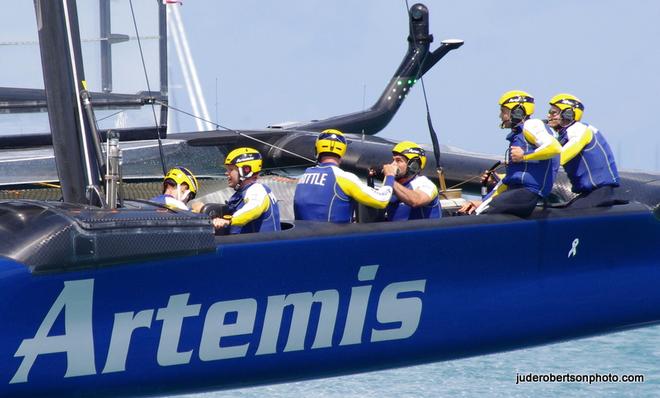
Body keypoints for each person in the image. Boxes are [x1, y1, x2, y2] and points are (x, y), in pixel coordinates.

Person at [461, 90, 561, 217]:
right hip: (517, 192)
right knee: (476, 212)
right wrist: (482, 203)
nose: (500, 116)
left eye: (503, 111)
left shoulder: (531, 125)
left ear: (517, 111)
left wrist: (523, 156)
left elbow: (554, 147)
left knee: (485, 213)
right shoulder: (518, 136)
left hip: (526, 194)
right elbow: (506, 183)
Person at [294, 129, 398, 223]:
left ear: (317, 150)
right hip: (332, 241)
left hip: (302, 240)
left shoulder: (304, 176)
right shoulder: (343, 178)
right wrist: (389, 176)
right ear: (342, 152)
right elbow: (381, 200)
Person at [547, 93, 620, 208]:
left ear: (568, 114)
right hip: (588, 194)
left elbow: (560, 157)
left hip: (599, 193)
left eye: (553, 113)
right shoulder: (566, 135)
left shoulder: (579, 129)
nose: (548, 115)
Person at [214, 147, 281, 234]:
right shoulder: (241, 193)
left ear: (245, 171)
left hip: (262, 245)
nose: (226, 173)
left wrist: (229, 221)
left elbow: (254, 208)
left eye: (231, 169)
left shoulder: (257, 189)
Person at [386, 141, 441, 221]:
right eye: (393, 160)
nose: (393, 164)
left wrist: (390, 178)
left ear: (413, 165)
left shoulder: (426, 184)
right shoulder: (393, 184)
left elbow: (417, 200)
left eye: (398, 160)